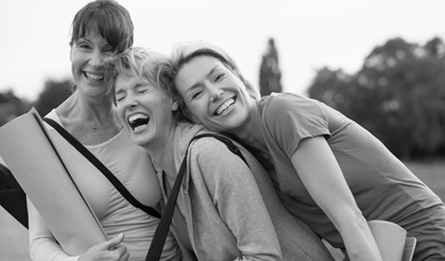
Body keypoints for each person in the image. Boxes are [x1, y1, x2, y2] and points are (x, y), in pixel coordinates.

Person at [167, 41, 445, 261]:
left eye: (218, 76)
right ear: (191, 116)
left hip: (426, 240)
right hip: (381, 249)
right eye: (197, 93)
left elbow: (350, 218)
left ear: (238, 76)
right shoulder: (242, 156)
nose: (215, 92)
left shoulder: (283, 113)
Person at [106, 47, 336, 261]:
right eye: (120, 96)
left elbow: (263, 256)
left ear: (173, 100)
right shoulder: (162, 173)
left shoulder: (208, 155)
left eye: (141, 90)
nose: (130, 102)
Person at [27, 1, 179, 260]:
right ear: (71, 49)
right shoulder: (43, 137)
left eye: (108, 50)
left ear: (125, 54)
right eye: (85, 46)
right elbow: (40, 241)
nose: (96, 62)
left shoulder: (142, 117)